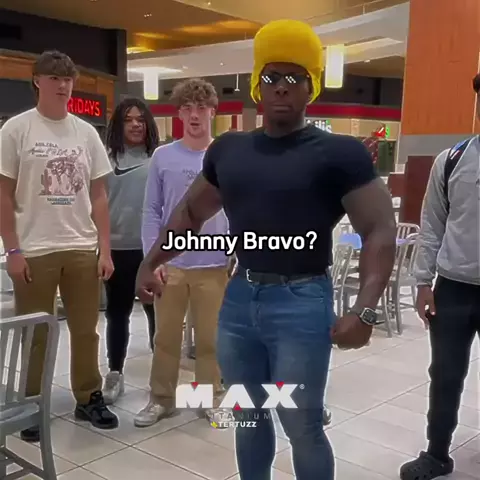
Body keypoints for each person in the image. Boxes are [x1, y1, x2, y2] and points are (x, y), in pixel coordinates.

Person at [135, 20, 397, 479]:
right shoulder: (230, 150)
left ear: (311, 87)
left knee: (302, 424)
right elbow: (190, 212)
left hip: (302, 301)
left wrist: (366, 310)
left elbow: (379, 229)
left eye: (294, 77)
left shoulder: (339, 153)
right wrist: (151, 261)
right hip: (239, 298)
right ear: (257, 84)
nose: (281, 86)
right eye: (272, 76)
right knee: (249, 417)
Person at [0, 50, 119, 443]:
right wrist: (12, 250)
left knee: (87, 330)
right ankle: (32, 403)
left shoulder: (85, 133)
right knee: (36, 333)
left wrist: (105, 248)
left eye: (68, 79)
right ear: (37, 81)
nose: (63, 85)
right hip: (35, 248)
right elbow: (3, 195)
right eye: (54, 78)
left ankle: (88, 396)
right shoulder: (16, 130)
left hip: (81, 246)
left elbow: (98, 195)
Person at [134, 78, 231, 428]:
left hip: (214, 264)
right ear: (178, 113)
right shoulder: (163, 157)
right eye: (187, 108)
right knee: (165, 338)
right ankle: (161, 399)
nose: (194, 115)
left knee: (210, 339)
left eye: (201, 108)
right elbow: (151, 211)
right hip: (170, 265)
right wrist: (152, 261)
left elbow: (238, 209)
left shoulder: (224, 156)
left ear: (212, 112)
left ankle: (211, 399)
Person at [399, 73, 480, 480]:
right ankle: (436, 453)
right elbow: (431, 225)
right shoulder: (452, 160)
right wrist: (422, 282)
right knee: (445, 375)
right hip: (453, 290)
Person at [102, 97, 159, 405]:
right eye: (128, 120)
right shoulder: (105, 159)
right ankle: (115, 372)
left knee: (156, 312)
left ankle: (161, 376)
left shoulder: (158, 159)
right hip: (116, 249)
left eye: (140, 119)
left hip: (151, 250)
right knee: (117, 312)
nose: (136, 125)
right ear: (118, 125)